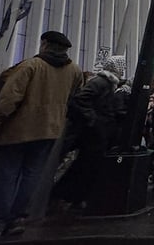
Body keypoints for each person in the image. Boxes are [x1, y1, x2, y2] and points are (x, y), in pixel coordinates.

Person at [0, 31, 84, 241]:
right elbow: (75, 95)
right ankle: (18, 218)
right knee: (31, 175)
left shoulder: (31, 66)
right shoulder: (74, 70)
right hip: (50, 129)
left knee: (6, 176)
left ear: (44, 44)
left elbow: (10, 96)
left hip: (19, 128)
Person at [55, 55, 126, 208]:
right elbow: (80, 100)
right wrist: (94, 120)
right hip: (94, 132)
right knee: (85, 165)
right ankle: (69, 195)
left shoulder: (106, 83)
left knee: (85, 165)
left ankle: (71, 196)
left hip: (96, 131)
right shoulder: (102, 83)